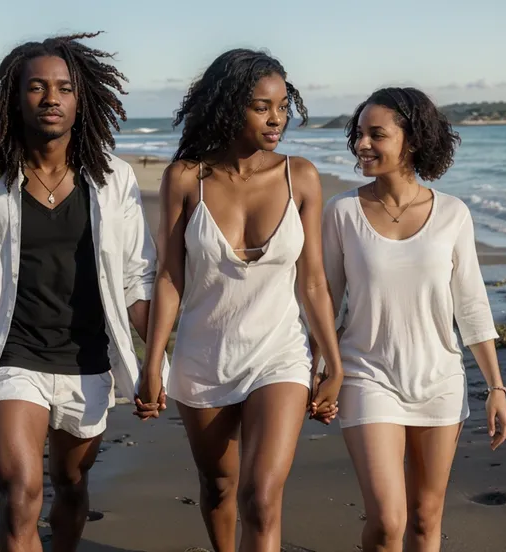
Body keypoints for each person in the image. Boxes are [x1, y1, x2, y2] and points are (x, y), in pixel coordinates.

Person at [0, 32, 164, 552]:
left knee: (70, 485)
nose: (51, 98)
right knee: (20, 492)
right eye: (37, 87)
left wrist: (156, 360)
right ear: (13, 97)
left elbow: (138, 279)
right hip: (10, 357)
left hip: (88, 360)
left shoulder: (114, 181)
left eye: (64, 88)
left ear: (80, 98)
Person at [136, 49, 344, 551]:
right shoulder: (187, 178)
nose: (277, 119)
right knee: (220, 487)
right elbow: (169, 277)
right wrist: (153, 362)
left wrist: (332, 363)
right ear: (229, 107)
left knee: (261, 497)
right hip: (203, 357)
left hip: (280, 355)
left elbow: (312, 281)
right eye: (261, 106)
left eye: (282, 105)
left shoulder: (303, 177)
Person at [319, 87, 506, 552]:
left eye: (376, 135)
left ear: (412, 140)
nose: (362, 144)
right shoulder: (342, 212)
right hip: (367, 375)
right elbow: (324, 300)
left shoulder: (452, 214)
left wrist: (496, 388)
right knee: (388, 522)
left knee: (425, 522)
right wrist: (320, 369)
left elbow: (470, 305)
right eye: (359, 134)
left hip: (440, 380)